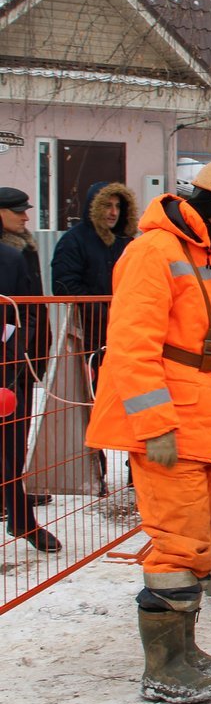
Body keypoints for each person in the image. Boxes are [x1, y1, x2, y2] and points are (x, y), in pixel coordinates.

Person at [85, 160, 211, 704]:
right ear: (207, 208)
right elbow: (133, 348)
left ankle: (184, 652)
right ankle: (163, 668)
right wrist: (155, 426)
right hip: (174, 429)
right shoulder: (152, 254)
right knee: (177, 547)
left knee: (200, 543)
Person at [51, 181, 139, 493]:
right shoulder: (74, 241)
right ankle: (93, 470)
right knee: (93, 405)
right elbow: (62, 284)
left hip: (130, 335)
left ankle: (136, 470)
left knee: (136, 402)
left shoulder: (129, 241)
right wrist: (106, 305)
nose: (113, 212)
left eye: (118, 206)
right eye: (107, 206)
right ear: (94, 208)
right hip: (91, 337)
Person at [0, 187, 59, 553]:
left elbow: (30, 309)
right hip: (10, 359)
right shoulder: (9, 257)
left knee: (12, 440)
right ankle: (20, 516)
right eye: (17, 211)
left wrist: (33, 349)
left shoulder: (21, 251)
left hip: (16, 362)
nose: (25, 217)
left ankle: (19, 514)